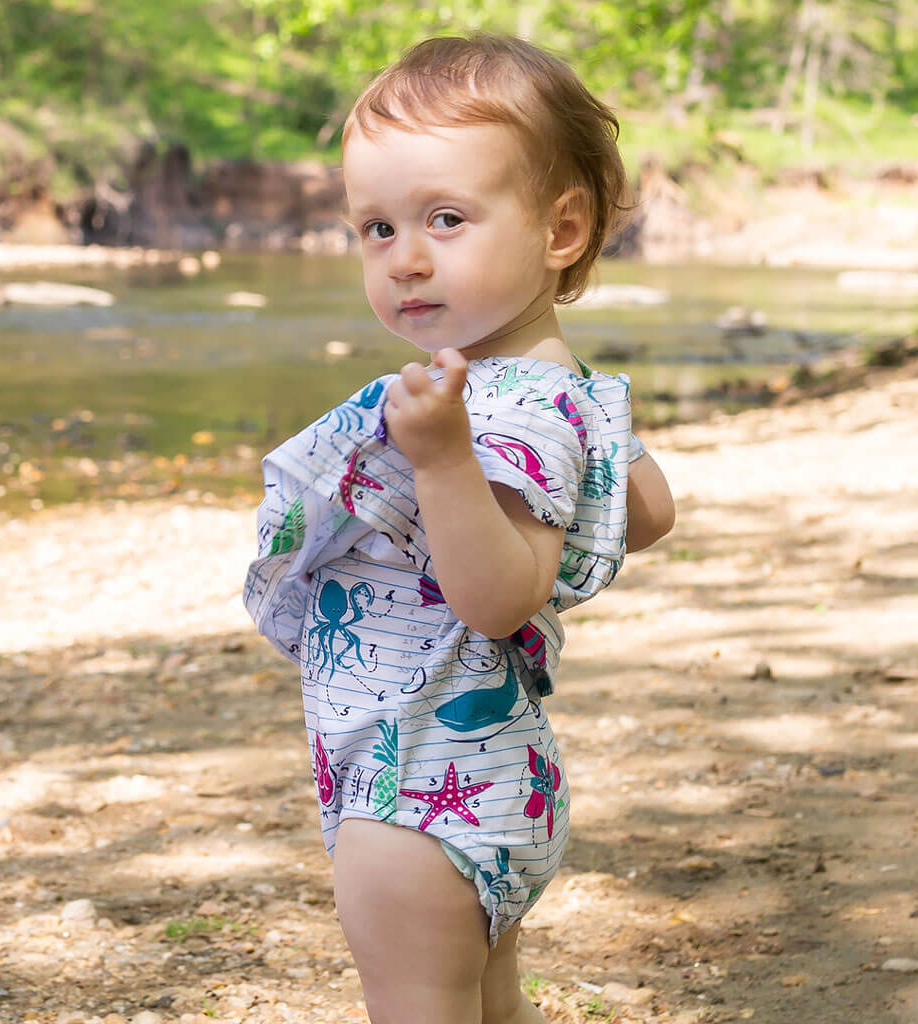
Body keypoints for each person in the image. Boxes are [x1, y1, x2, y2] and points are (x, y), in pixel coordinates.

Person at [243, 33, 675, 1024]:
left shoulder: (488, 414)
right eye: (376, 229)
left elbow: (496, 595)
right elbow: (645, 516)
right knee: (486, 1004)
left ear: (560, 230)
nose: (407, 257)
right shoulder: (565, 391)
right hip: (498, 774)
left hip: (417, 782)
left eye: (445, 218)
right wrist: (592, 465)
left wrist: (440, 462)